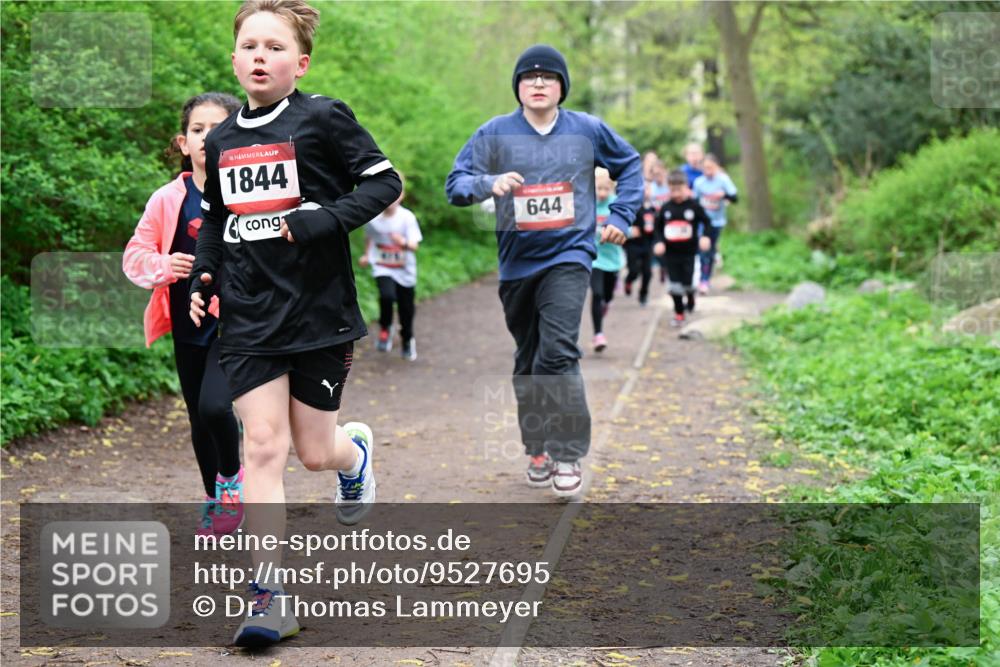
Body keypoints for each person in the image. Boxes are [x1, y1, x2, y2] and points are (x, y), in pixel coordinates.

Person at [188, 0, 402, 647]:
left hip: (318, 316)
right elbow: (221, 221)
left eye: (274, 46)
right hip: (250, 317)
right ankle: (269, 594)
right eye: (249, 45)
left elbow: (383, 183)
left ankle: (352, 453)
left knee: (314, 452)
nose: (260, 55)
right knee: (262, 446)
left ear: (300, 62)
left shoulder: (323, 119)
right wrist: (204, 275)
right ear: (234, 58)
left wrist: (323, 217)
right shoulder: (224, 139)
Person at [445, 44, 641, 498]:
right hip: (516, 265)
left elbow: (629, 166)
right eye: (528, 77)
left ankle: (568, 451)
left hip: (570, 256)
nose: (537, 83)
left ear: (561, 87)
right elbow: (454, 185)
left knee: (558, 352)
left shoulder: (587, 130)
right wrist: (486, 183)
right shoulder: (494, 134)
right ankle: (538, 447)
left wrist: (622, 216)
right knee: (530, 360)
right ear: (517, 86)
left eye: (548, 77)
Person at [123, 92, 244, 540]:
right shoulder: (166, 199)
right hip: (185, 320)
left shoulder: (245, 191)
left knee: (216, 406)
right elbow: (135, 255)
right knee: (198, 416)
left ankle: (232, 486)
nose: (207, 138)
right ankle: (215, 498)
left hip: (234, 320)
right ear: (183, 141)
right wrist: (163, 265)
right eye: (198, 130)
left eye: (218, 129)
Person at [359, 173, 422, 360]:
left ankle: (407, 340)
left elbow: (414, 245)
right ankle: (386, 328)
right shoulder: (374, 218)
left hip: (405, 269)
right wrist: (366, 254)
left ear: (401, 196)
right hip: (383, 266)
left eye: (395, 194)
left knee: (406, 309)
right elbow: (370, 237)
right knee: (386, 296)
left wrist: (402, 242)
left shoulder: (407, 218)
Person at [653, 170, 711, 326]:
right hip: (671, 254)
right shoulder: (665, 208)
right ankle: (679, 313)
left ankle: (691, 296)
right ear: (668, 189)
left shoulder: (694, 206)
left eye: (679, 190)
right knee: (675, 286)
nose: (676, 193)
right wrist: (659, 242)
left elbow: (706, 222)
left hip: (689, 253)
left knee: (688, 284)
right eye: (672, 190)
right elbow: (657, 228)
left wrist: (705, 236)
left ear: (686, 187)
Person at [691, 154, 738, 293]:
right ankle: (702, 280)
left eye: (711, 168)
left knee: (709, 251)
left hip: (717, 222)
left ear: (717, 167)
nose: (708, 171)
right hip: (702, 222)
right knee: (703, 250)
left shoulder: (723, 179)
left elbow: (735, 198)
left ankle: (706, 278)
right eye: (705, 168)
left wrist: (723, 195)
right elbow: (695, 203)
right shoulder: (699, 182)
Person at [590, 168, 622, 352]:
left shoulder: (615, 204)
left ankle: (608, 303)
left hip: (612, 258)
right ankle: (598, 334)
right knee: (597, 293)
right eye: (598, 188)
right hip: (594, 258)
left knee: (608, 295)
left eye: (605, 189)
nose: (602, 193)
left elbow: (626, 227)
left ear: (611, 189)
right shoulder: (587, 203)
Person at [624, 182, 656, 306]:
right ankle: (628, 280)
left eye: (648, 189)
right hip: (633, 244)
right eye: (643, 189)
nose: (645, 192)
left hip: (647, 244)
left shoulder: (653, 208)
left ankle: (643, 295)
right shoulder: (632, 206)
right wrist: (631, 231)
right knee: (634, 271)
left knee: (647, 272)